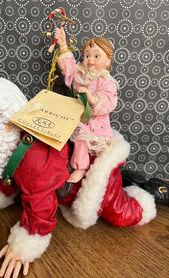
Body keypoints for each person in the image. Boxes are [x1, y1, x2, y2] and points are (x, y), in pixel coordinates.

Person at [0, 78, 169, 278]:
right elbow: (7, 170)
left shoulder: (34, 162)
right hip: (74, 168)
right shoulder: (10, 142)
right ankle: (129, 178)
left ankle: (153, 191)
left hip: (90, 183)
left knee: (122, 214)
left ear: (6, 123)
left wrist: (23, 246)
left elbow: (41, 209)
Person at [55, 27, 118, 183]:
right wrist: (63, 45)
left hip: (98, 124)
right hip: (81, 119)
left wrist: (92, 98)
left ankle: (95, 172)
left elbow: (109, 102)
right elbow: (68, 70)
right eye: (87, 55)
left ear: (108, 60)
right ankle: (80, 167)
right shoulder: (81, 75)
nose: (90, 59)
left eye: (97, 56)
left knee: (100, 152)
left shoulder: (106, 81)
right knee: (79, 139)